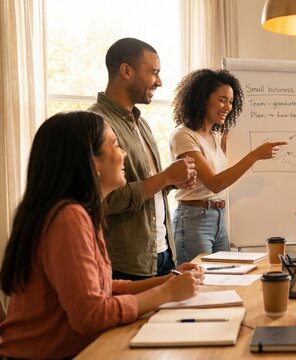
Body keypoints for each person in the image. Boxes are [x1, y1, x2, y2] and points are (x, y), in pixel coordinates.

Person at [0, 111, 204, 359]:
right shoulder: (68, 217)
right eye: (116, 145)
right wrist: (167, 293)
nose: (124, 154)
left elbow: (103, 288)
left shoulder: (79, 211)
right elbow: (91, 316)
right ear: (92, 161)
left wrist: (167, 281)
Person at [88, 38, 197, 280]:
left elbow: (147, 186)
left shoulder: (141, 122)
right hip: (127, 262)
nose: (160, 81)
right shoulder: (95, 123)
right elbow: (106, 199)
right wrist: (165, 177)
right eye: (154, 73)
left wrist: (171, 182)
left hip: (162, 253)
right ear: (126, 71)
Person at [170, 68, 288, 263]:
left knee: (225, 279)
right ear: (203, 98)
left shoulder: (218, 136)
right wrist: (255, 156)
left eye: (231, 102)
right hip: (193, 219)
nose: (228, 107)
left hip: (219, 218)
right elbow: (214, 183)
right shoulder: (184, 135)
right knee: (201, 284)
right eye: (222, 100)